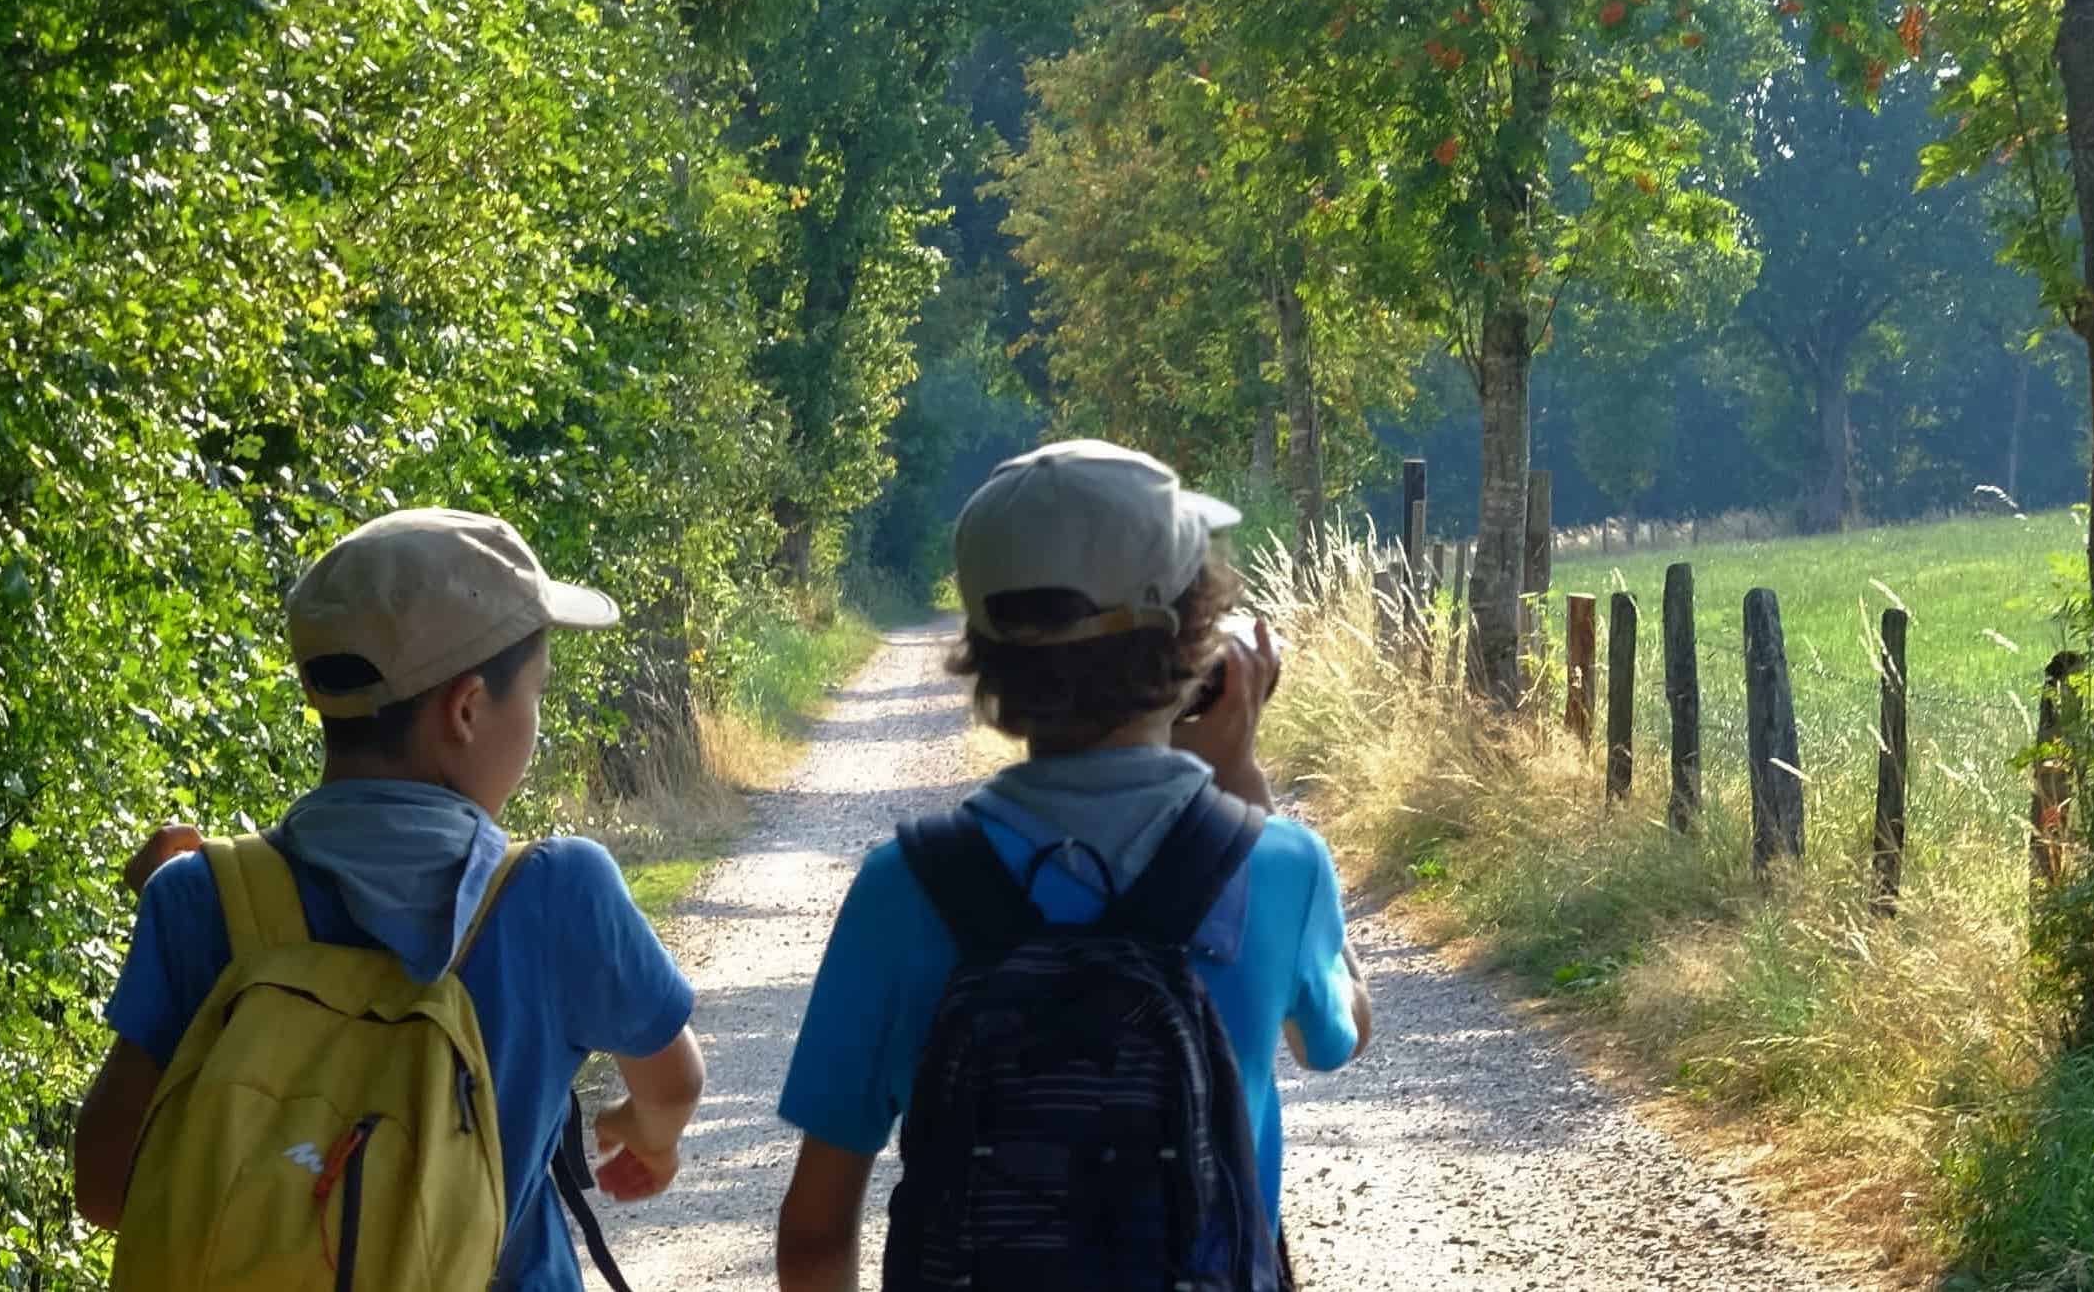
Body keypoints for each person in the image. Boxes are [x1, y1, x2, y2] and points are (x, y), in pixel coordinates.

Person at [771, 440, 1373, 1292]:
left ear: (982, 656)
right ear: (1194, 641)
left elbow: (815, 1229)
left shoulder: (902, 887)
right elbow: (1337, 1035)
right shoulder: (1277, 865)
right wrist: (1241, 780)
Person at [73, 507, 707, 1290]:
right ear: (467, 709)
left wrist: (178, 912)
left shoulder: (201, 897)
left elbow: (105, 1188)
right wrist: (647, 1136)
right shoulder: (559, 891)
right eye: (533, 697)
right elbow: (673, 1084)